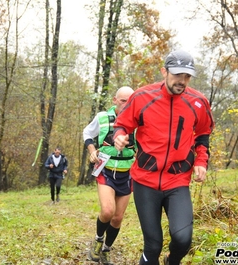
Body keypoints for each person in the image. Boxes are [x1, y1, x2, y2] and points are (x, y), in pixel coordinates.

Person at [113, 50, 214, 265]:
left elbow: (203, 134)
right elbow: (122, 124)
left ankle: (172, 260)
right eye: (177, 75)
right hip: (145, 181)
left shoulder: (198, 102)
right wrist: (120, 136)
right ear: (164, 72)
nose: (182, 81)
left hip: (177, 181)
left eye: (187, 76)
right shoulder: (142, 97)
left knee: (183, 239)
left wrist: (201, 161)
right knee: (153, 245)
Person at [83, 86, 136, 265]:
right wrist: (92, 150)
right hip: (106, 170)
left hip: (127, 173)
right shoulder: (103, 117)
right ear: (115, 100)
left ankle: (106, 250)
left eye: (130, 101)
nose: (127, 104)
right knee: (107, 210)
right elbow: (88, 133)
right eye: (123, 101)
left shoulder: (139, 120)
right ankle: (98, 240)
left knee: (118, 217)